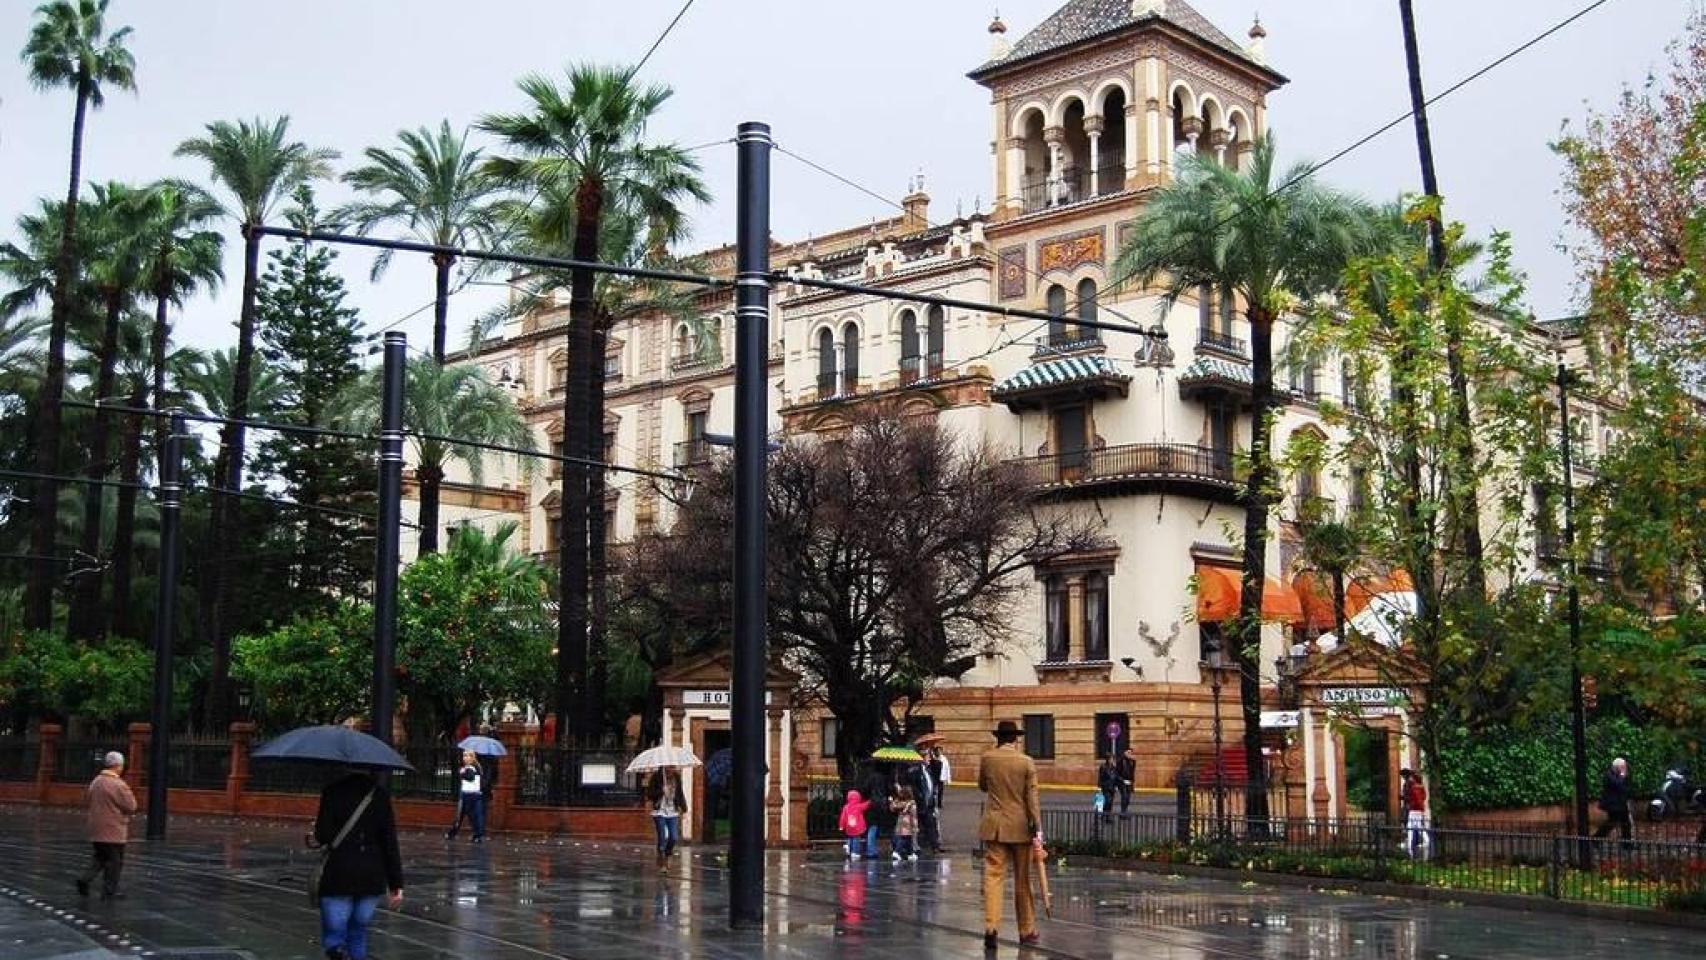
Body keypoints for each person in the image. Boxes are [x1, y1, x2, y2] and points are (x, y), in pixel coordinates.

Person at [310, 765, 404, 960]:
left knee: (335, 935)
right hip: (371, 874)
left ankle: (337, 952)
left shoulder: (332, 791)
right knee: (359, 932)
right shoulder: (379, 795)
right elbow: (389, 842)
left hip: (339, 871)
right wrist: (396, 883)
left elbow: (323, 834)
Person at [978, 719, 1042, 951]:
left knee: (993, 878)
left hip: (994, 826)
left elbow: (983, 786)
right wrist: (1037, 829)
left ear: (998, 738)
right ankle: (1026, 930)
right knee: (1023, 881)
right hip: (1021, 828)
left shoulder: (987, 758)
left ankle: (991, 928)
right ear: (1016, 738)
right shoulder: (1026, 762)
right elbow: (1032, 800)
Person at [76, 751, 136, 900]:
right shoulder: (119, 785)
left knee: (100, 858)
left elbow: (88, 798)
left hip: (96, 828)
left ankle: (85, 879)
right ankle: (109, 891)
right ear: (117, 766)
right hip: (114, 830)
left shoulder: (96, 781)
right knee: (115, 862)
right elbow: (131, 806)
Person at [647, 767, 688, 870]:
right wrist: (661, 791)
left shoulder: (676, 777)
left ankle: (668, 853)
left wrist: (684, 808)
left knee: (673, 837)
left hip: (672, 811)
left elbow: (680, 793)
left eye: (673, 767)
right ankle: (662, 860)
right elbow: (650, 795)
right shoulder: (656, 777)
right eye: (670, 767)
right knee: (662, 837)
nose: (672, 769)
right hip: (659, 811)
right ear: (665, 766)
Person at [446, 750, 486, 843]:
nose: (465, 758)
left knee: (464, 816)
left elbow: (470, 777)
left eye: (468, 756)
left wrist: (462, 773)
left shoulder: (472, 767)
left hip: (468, 795)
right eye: (464, 756)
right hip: (472, 794)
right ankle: (477, 835)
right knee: (471, 816)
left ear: (472, 757)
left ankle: (475, 835)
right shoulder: (476, 767)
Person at [1593, 757, 1634, 840]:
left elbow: (1626, 786)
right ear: (1617, 767)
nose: (1624, 769)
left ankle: (1627, 843)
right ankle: (1596, 838)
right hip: (1613, 804)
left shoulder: (1621, 775)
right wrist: (1622, 776)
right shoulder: (1609, 775)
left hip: (1621, 803)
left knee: (1626, 823)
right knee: (1611, 822)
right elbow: (1617, 784)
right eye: (1622, 767)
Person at [1399, 768, 1430, 859]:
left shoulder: (1413, 786)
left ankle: (1410, 845)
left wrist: (1407, 800)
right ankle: (1424, 841)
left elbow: (1413, 798)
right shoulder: (1421, 787)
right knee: (1418, 826)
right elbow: (1423, 797)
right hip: (1419, 809)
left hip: (1413, 809)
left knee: (1410, 827)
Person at [927, 745, 951, 853]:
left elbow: (941, 767)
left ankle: (936, 844)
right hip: (926, 802)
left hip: (932, 800)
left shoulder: (938, 762)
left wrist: (933, 757)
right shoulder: (922, 769)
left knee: (934, 823)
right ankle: (934, 844)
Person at [840, 789, 873, 860]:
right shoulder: (858, 806)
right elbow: (865, 805)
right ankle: (855, 852)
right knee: (856, 839)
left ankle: (848, 845)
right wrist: (870, 801)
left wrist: (841, 826)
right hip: (857, 827)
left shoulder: (846, 807)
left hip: (849, 826)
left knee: (850, 837)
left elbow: (843, 817)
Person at [890, 782, 919, 861]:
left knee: (907, 838)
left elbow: (893, 807)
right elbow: (914, 816)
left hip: (901, 822)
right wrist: (915, 827)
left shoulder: (901, 803)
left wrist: (893, 800)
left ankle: (910, 853)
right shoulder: (912, 803)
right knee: (904, 838)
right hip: (908, 823)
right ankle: (897, 851)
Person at [1097, 756, 1121, 824]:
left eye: (1113, 759)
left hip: (1112, 787)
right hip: (1105, 787)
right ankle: (1104, 815)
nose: (1112, 760)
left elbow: (1116, 777)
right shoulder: (1103, 767)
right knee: (1107, 801)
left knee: (1110, 803)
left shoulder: (1114, 768)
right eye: (1111, 759)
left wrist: (1116, 786)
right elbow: (1100, 777)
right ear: (1107, 759)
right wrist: (1099, 787)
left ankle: (1107, 817)